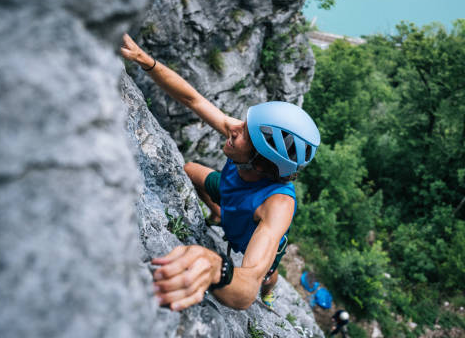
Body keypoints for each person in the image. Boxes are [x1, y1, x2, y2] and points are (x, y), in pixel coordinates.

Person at [120, 34, 320, 311]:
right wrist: (147, 62)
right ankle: (217, 212)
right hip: (229, 199)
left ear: (259, 163)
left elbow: (246, 289)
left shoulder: (278, 206)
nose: (232, 127)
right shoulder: (247, 145)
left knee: (268, 277)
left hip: (249, 233)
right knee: (190, 169)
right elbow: (193, 99)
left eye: (243, 135)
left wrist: (219, 268)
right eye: (243, 123)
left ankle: (272, 291)